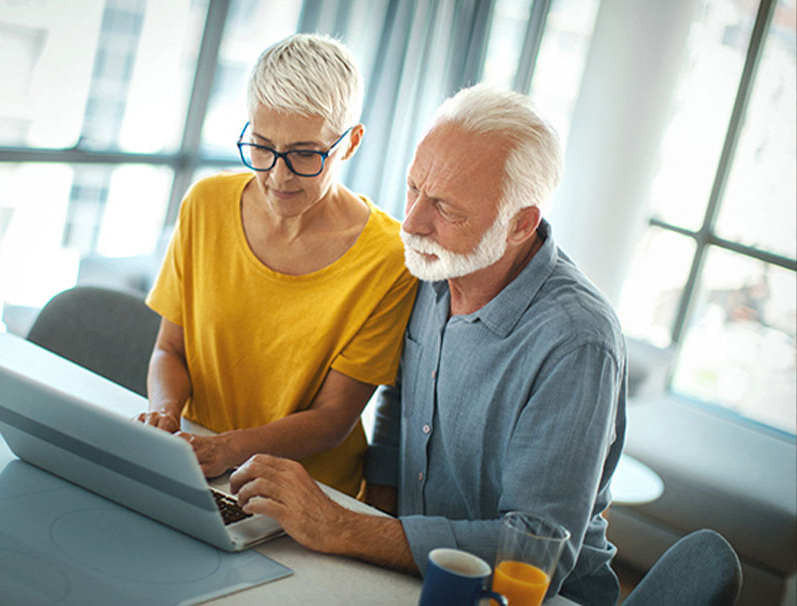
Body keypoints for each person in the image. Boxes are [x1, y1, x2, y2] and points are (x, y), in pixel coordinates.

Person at [229, 83, 627, 606]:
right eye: (413, 189)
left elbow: (532, 553)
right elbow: (399, 409)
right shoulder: (433, 267)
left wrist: (344, 528)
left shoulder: (577, 342)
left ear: (520, 224)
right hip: (408, 573)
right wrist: (371, 529)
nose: (413, 224)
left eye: (444, 207)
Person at [136, 33, 418, 497]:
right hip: (197, 467)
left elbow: (333, 420)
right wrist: (164, 412)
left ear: (350, 144)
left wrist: (229, 449)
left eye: (305, 153)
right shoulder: (206, 205)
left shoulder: (389, 258)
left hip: (306, 498)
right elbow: (171, 350)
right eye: (262, 145)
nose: (277, 175)